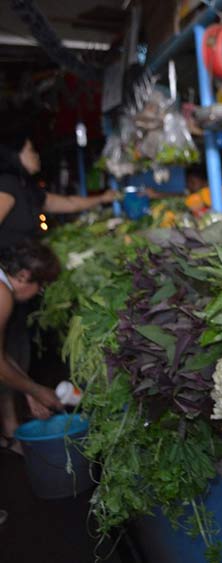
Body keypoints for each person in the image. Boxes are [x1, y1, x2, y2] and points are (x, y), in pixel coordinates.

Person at [0, 133, 117, 247]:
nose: (36, 155)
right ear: (15, 155)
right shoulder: (7, 185)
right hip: (13, 262)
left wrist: (102, 198)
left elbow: (70, 203)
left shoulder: (26, 188)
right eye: (31, 150)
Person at [0, 241, 63, 447]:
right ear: (25, 276)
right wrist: (37, 391)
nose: (38, 293)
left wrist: (29, 389)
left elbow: (2, 357)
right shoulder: (2, 295)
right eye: (40, 286)